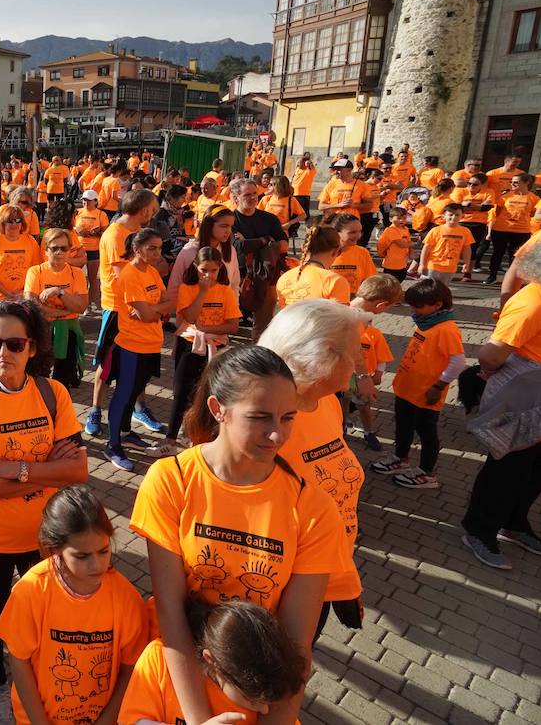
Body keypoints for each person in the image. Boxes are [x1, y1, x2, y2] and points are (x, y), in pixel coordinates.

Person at [129, 345, 345, 725]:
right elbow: (171, 613)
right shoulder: (172, 481)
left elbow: (295, 648)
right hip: (176, 683)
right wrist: (198, 721)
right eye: (260, 417)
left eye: (288, 417)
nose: (278, 434)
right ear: (218, 410)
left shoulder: (312, 508)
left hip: (259, 694)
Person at [0, 298, 89, 723]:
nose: (2, 353)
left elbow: (79, 470)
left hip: (43, 535)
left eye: (14, 343)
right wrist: (48, 469)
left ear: (33, 347)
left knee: (41, 613)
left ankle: (36, 680)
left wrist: (14, 468)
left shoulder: (52, 393)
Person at [260, 300, 370, 636]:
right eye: (354, 353)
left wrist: (343, 577)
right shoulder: (267, 424)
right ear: (324, 356)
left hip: (324, 574)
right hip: (279, 589)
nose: (360, 362)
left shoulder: (326, 404)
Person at [0, 485, 147, 725]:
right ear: (55, 550)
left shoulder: (126, 598)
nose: (97, 565)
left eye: (104, 551)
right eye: (82, 556)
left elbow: (131, 669)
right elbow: (19, 661)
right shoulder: (31, 591)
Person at [462, 238, 541, 569]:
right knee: (509, 464)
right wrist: (490, 375)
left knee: (536, 467)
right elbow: (490, 354)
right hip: (527, 391)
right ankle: (479, 529)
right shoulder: (533, 303)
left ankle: (513, 521)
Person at [118, 598, 307, 725]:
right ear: (212, 661)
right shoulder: (159, 660)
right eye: (251, 700)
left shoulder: (266, 687)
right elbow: (133, 721)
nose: (265, 711)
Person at [369, 279, 465, 490]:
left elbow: (458, 361)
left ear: (437, 304)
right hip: (407, 388)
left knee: (426, 433)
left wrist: (438, 386)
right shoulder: (426, 321)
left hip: (426, 393)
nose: (413, 310)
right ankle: (401, 457)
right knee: (403, 425)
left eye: (417, 306)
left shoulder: (447, 329)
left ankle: (427, 472)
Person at [153, 246, 242, 459]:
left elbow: (232, 326)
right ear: (195, 267)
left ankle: (200, 438)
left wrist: (207, 331)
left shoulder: (225, 291)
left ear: (220, 268)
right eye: (203, 270)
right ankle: (170, 439)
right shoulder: (187, 289)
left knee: (209, 395)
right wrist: (202, 291)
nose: (208, 275)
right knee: (181, 392)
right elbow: (191, 318)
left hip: (215, 348)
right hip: (190, 346)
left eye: (212, 270)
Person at [87, 189, 160, 438]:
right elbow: (125, 275)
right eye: (153, 209)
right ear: (144, 210)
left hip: (137, 308)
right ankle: (95, 411)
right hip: (119, 309)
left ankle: (138, 407)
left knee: (140, 364)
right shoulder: (117, 235)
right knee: (107, 366)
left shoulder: (135, 233)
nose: (154, 213)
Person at [106, 228, 173, 471]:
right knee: (123, 395)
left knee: (134, 394)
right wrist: (156, 310)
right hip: (132, 347)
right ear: (137, 249)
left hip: (152, 344)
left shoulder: (152, 271)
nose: (157, 253)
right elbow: (147, 313)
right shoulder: (130, 275)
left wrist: (153, 310)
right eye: (152, 248)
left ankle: (125, 433)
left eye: (159, 247)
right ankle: (113, 444)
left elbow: (169, 304)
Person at [25, 228, 90, 388]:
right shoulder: (35, 272)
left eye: (64, 248)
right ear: (46, 251)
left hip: (68, 333)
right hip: (42, 330)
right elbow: (33, 306)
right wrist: (66, 311)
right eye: (54, 248)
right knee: (38, 375)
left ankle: (61, 408)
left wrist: (59, 292)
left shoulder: (77, 274)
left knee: (63, 379)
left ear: (69, 251)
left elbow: (81, 306)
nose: (59, 252)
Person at [349, 275, 402, 452]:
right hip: (343, 375)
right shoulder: (355, 322)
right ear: (380, 305)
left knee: (358, 404)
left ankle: (365, 431)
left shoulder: (339, 307)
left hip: (340, 375)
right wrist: (364, 378)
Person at [230, 178, 289, 337]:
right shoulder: (230, 219)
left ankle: (258, 354)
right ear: (235, 198)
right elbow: (239, 246)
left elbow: (284, 245)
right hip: (237, 275)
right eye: (247, 195)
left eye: (255, 193)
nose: (253, 198)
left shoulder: (269, 219)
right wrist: (266, 240)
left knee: (263, 325)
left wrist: (249, 242)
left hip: (266, 275)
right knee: (227, 321)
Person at [276, 224, 351, 307]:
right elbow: (340, 318)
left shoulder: (285, 277)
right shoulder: (335, 281)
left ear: (303, 247)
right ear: (336, 251)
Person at [0, 205, 43, 302]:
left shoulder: (30, 240)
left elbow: (37, 269)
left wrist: (26, 291)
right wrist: (6, 293)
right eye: (10, 221)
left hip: (23, 297)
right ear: (3, 223)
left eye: (18, 221)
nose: (14, 224)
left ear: (22, 223)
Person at [487, 173, 537, 283]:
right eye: (511, 182)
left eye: (515, 182)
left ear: (526, 183)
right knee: (497, 253)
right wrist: (491, 229)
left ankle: (511, 280)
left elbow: (534, 214)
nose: (512, 184)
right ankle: (492, 276)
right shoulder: (505, 197)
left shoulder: (534, 198)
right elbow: (497, 212)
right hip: (501, 229)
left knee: (515, 256)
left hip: (521, 231)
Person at [419, 203, 473, 283]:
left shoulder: (465, 231)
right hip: (433, 265)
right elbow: (426, 248)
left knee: (443, 290)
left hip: (450, 267)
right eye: (450, 215)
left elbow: (467, 249)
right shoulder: (436, 230)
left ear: (462, 216)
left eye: (457, 215)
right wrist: (422, 264)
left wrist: (466, 263)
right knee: (429, 288)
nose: (453, 217)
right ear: (443, 216)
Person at [328, 214, 377, 293]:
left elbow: (370, 281)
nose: (358, 236)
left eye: (360, 231)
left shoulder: (362, 252)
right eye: (352, 232)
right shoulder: (324, 252)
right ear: (336, 232)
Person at [377, 206, 413, 281]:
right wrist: (414, 244)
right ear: (390, 219)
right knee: (390, 284)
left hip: (402, 263)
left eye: (404, 218)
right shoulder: (390, 230)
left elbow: (408, 242)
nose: (402, 220)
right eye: (399, 218)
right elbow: (402, 244)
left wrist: (410, 251)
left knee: (400, 279)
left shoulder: (405, 229)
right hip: (391, 264)